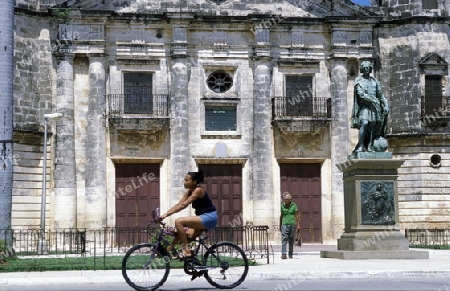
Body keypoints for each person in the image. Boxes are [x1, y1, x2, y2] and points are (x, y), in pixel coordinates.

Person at [159, 169, 218, 258]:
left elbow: (184, 205)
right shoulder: (189, 192)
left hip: (209, 217)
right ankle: (168, 252)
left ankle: (186, 251)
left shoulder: (198, 190)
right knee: (183, 235)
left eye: (186, 180)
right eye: (184, 180)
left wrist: (166, 215)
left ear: (194, 182)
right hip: (202, 217)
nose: (184, 182)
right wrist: (164, 214)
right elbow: (178, 204)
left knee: (179, 222)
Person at [351, 61, 389, 153]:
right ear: (362, 69)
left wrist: (386, 104)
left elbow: (380, 95)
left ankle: (369, 146)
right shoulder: (359, 81)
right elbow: (361, 94)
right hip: (365, 107)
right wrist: (372, 100)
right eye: (364, 68)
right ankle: (360, 145)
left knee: (372, 126)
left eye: (368, 68)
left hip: (375, 108)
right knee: (364, 122)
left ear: (370, 69)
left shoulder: (375, 81)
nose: (366, 69)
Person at [279, 192, 301, 259]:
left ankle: (290, 254)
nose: (287, 200)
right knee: (284, 239)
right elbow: (281, 216)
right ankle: (283, 254)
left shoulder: (294, 206)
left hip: (292, 224)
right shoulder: (282, 206)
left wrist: (298, 225)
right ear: (284, 199)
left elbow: (297, 216)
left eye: (288, 199)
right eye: (286, 199)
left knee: (291, 239)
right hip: (284, 224)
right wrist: (280, 224)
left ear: (290, 199)